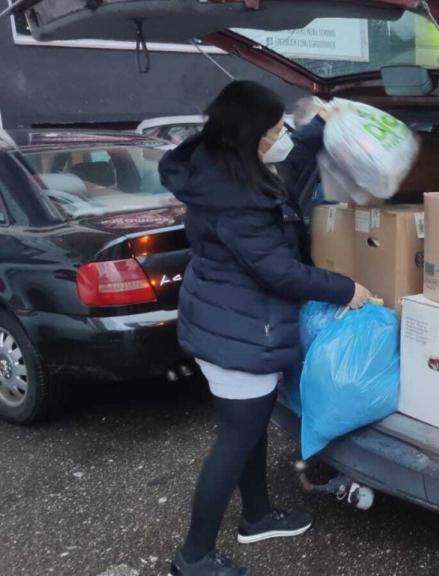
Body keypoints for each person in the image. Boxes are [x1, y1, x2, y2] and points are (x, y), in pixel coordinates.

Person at [159, 80, 370, 576]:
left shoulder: (222, 165)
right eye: (277, 129)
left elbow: (286, 171)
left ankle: (257, 517)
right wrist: (345, 289)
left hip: (224, 319)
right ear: (253, 134)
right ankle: (193, 557)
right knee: (234, 442)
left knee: (248, 430)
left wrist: (319, 128)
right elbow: (277, 270)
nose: (284, 136)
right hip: (240, 330)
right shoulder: (234, 198)